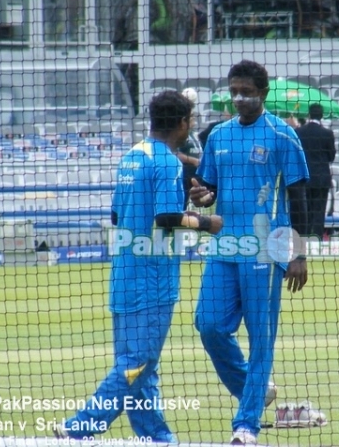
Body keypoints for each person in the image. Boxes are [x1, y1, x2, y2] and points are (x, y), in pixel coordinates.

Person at [53, 91, 222, 442]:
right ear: (183, 123)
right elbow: (164, 217)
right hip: (153, 276)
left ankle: (157, 437)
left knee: (142, 365)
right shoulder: (167, 162)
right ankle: (80, 427)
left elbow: (117, 214)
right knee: (137, 363)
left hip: (125, 272)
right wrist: (207, 223)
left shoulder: (131, 156)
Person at [189, 59, 310, 446]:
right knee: (208, 325)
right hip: (224, 248)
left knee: (261, 340)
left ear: (263, 93)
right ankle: (255, 390)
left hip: (267, 252)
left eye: (247, 92)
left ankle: (246, 427)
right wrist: (202, 196)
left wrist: (299, 254)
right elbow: (207, 188)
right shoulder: (218, 136)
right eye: (234, 91)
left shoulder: (282, 135)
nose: (238, 98)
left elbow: (299, 196)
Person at [295, 103, 336, 238]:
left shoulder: (299, 132)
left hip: (304, 177)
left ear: (309, 115)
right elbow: (331, 156)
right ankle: (317, 239)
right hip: (321, 178)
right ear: (321, 115)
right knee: (319, 211)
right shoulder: (327, 133)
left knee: (305, 210)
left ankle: (304, 239)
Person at [176, 87, 203, 209]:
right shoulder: (181, 134)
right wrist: (194, 161)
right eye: (191, 117)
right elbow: (175, 153)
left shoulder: (194, 134)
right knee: (182, 203)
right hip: (184, 174)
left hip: (195, 175)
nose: (194, 118)